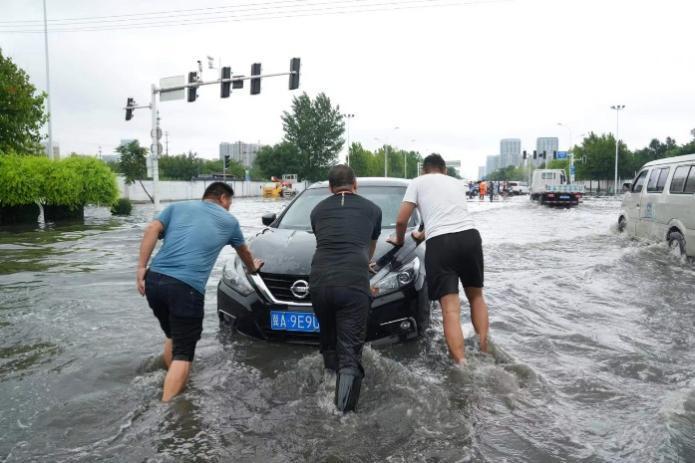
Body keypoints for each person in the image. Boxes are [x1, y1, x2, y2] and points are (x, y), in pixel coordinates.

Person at [136, 182, 263, 401]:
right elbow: (243, 251)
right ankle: (167, 411)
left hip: (154, 281)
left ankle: (174, 380)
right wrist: (253, 268)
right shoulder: (229, 221)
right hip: (186, 288)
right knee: (184, 353)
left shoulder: (177, 208)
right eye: (229, 203)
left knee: (173, 336)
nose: (229, 208)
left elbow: (151, 229)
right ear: (222, 198)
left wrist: (140, 267)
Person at [389, 153, 489, 363]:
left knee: (450, 309)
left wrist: (399, 240)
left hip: (441, 245)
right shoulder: (456, 183)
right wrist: (423, 233)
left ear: (424, 170)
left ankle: (461, 364)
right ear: (444, 170)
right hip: (470, 236)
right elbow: (448, 216)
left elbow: (401, 221)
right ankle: (484, 349)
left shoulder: (417, 182)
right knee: (476, 297)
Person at [309, 165, 382, 412]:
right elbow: (368, 248)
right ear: (355, 184)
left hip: (318, 283)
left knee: (329, 343)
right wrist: (364, 268)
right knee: (350, 353)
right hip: (352, 285)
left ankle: (328, 386)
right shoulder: (373, 210)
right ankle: (343, 417)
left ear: (330, 188)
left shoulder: (317, 210)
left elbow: (326, 244)